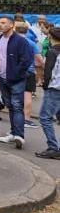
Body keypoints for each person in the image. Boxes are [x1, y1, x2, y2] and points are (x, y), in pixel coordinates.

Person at [0, 16, 35, 149]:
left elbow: (27, 59)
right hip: (2, 78)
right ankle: (13, 132)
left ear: (11, 25)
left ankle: (19, 136)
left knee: (17, 106)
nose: (0, 25)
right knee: (10, 105)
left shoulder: (20, 41)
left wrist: (17, 72)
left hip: (16, 79)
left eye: (4, 23)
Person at [36, 27, 60, 160]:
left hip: (54, 89)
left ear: (51, 37)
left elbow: (48, 72)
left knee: (45, 118)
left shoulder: (52, 52)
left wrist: (45, 86)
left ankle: (53, 147)